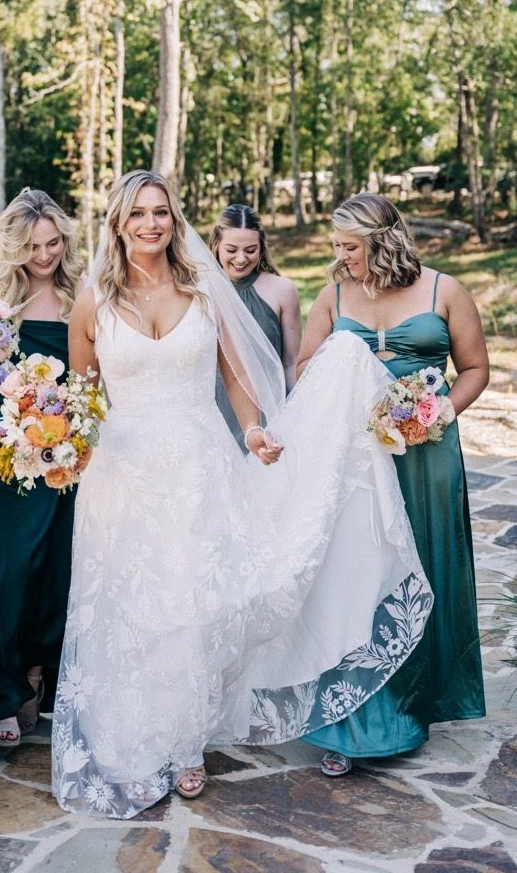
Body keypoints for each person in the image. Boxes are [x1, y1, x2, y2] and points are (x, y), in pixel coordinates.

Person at [51, 170, 434, 819]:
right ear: (117, 221)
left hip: (199, 467)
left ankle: (187, 739)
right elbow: (84, 395)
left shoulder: (200, 289)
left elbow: (235, 379)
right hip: (122, 476)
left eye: (163, 212)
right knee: (133, 608)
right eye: (139, 212)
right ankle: (134, 733)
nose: (152, 223)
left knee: (196, 605)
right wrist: (62, 445)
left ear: (176, 221)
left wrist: (255, 430)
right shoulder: (92, 299)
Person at [298, 192, 489, 776]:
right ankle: (358, 714)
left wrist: (437, 414)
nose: (341, 257)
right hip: (358, 455)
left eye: (350, 247)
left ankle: (420, 700)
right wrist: (346, 380)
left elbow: (476, 369)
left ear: (381, 242)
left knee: (425, 563)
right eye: (338, 247)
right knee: (360, 573)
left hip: (426, 453)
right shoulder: (332, 295)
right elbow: (304, 367)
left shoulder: (444, 291)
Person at [0, 188, 83, 748]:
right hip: (2, 454)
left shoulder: (80, 294)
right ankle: (1, 689)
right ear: (15, 247)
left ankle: (37, 674)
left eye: (54, 242)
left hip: (63, 451)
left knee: (58, 564)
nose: (45, 254)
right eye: (34, 245)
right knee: (10, 567)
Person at [210, 204, 301, 446]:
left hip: (267, 410)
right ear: (216, 245)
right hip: (214, 413)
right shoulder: (200, 291)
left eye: (250, 250)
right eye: (231, 249)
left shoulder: (282, 290)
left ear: (261, 248)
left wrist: (295, 414)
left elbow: (291, 361)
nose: (241, 259)